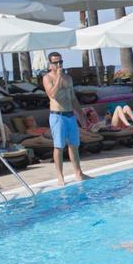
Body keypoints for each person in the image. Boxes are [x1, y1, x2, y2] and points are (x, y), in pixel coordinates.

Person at [42, 51, 91, 186]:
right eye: (56, 62)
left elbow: (72, 97)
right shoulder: (47, 78)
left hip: (70, 115)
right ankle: (60, 176)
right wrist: (58, 77)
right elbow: (52, 94)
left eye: (61, 62)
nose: (59, 65)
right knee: (59, 146)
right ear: (50, 64)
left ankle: (78, 173)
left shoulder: (68, 78)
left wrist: (81, 114)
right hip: (58, 116)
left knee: (74, 145)